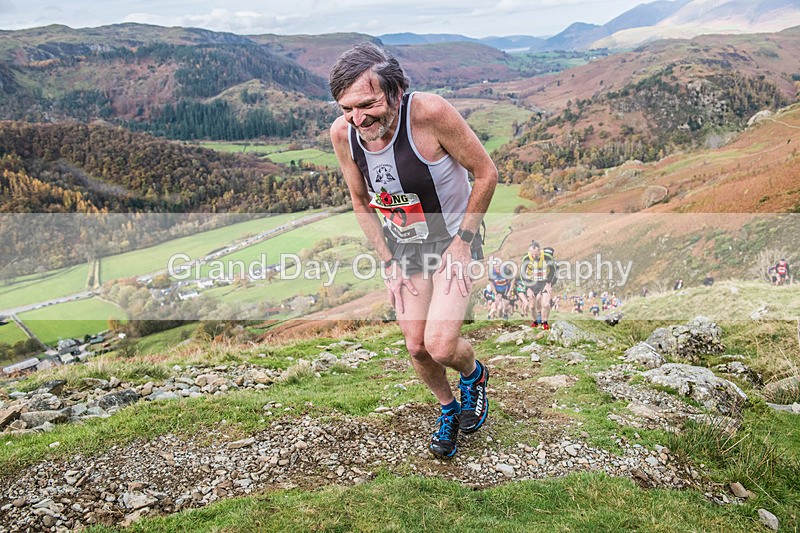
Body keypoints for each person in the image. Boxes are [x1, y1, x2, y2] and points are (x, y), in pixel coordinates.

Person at [329, 43, 497, 459]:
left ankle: (473, 375)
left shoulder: (429, 114)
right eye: (347, 108)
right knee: (416, 346)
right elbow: (359, 202)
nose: (358, 118)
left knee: (441, 345)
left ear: (397, 91)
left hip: (453, 238)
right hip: (406, 247)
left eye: (367, 104)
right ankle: (448, 407)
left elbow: (486, 172)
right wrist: (387, 262)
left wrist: (464, 242)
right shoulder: (343, 134)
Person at [521, 240, 556, 329]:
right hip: (532, 283)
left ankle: (545, 322)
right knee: (532, 306)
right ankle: (535, 321)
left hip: (544, 282)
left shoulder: (547, 257)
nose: (534, 256)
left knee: (545, 304)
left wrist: (548, 283)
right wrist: (528, 288)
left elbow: (552, 270)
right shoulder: (526, 258)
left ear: (539, 251)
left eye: (536, 254)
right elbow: (522, 274)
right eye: (532, 254)